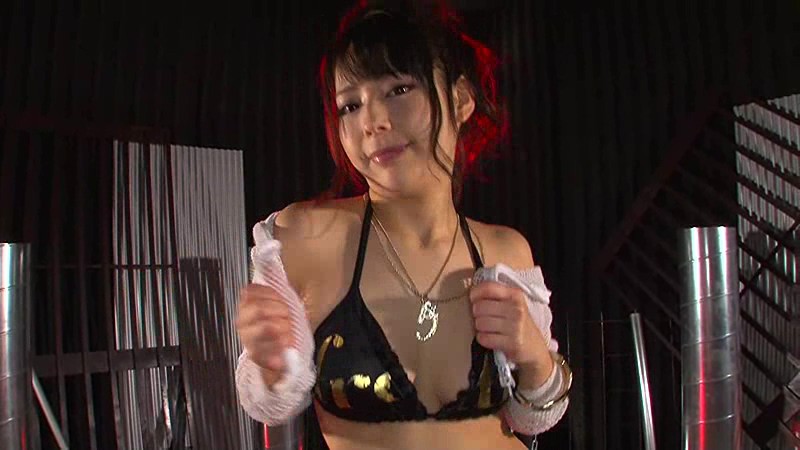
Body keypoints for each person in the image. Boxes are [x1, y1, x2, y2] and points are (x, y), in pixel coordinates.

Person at [234, 1, 571, 449]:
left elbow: (535, 416)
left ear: (460, 100)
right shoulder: (307, 238)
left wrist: (533, 354)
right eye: (350, 105)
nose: (372, 121)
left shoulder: (504, 252)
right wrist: (270, 363)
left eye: (398, 89)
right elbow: (267, 405)